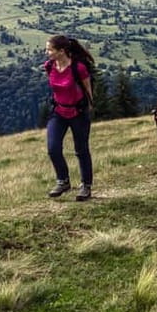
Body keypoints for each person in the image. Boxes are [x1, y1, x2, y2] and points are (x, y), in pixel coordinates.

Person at [44, 35, 95, 201]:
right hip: (58, 112)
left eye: (50, 49)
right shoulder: (49, 66)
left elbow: (88, 90)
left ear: (61, 51)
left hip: (78, 112)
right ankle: (63, 181)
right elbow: (53, 87)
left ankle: (85, 186)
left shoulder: (78, 68)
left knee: (81, 150)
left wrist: (88, 109)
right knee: (53, 148)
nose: (47, 52)